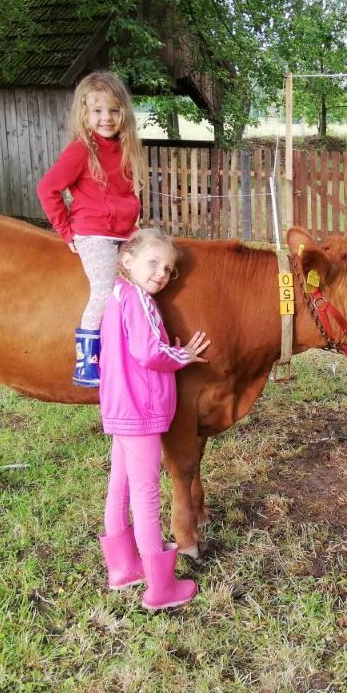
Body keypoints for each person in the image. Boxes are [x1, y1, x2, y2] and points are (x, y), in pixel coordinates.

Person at [96, 228, 211, 611]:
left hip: (118, 406)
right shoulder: (140, 300)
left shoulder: (116, 295)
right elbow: (147, 353)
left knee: (120, 486)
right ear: (127, 260)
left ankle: (123, 568)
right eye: (153, 263)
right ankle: (160, 588)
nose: (161, 273)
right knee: (146, 495)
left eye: (167, 269)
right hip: (141, 411)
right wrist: (182, 356)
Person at [36, 71, 146, 387]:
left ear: (123, 112)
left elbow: (124, 194)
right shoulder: (81, 151)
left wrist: (135, 227)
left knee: (153, 268)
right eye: (97, 111)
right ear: (85, 114)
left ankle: (134, 344)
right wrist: (66, 232)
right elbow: (48, 189)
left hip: (125, 232)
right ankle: (87, 361)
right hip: (94, 233)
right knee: (105, 288)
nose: (106, 118)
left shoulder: (126, 148)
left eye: (113, 110)